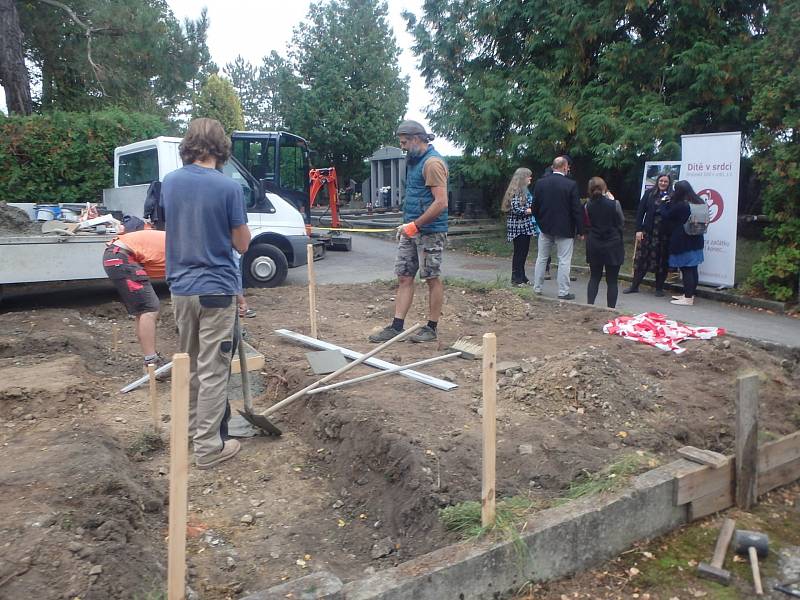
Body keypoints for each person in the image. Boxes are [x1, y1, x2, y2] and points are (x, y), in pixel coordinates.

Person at [162, 117, 251, 470]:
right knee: (214, 370)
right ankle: (208, 448)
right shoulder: (227, 188)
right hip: (215, 289)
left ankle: (190, 433)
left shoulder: (170, 183)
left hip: (180, 289)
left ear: (189, 145)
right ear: (220, 148)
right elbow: (242, 244)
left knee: (190, 365)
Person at [369, 120, 448, 343]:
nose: (402, 146)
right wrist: (408, 225)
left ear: (416, 139)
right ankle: (396, 327)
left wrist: (415, 225)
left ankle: (431, 328)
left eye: (404, 142)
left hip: (430, 231)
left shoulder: (432, 163)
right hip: (412, 229)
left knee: (431, 277)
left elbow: (441, 203)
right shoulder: (414, 161)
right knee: (404, 276)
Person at [102, 225, 167, 369]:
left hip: (117, 256)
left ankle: (150, 358)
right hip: (123, 257)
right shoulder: (182, 247)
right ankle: (151, 361)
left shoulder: (177, 241)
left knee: (144, 310)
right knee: (149, 308)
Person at [531, 156, 584, 299]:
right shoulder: (571, 185)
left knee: (541, 258)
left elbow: (534, 207)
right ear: (564, 166)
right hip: (565, 228)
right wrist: (580, 230)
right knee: (564, 260)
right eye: (567, 167)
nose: (568, 169)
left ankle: (537, 288)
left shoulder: (541, 183)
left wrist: (540, 221)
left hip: (545, 227)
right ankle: (563, 292)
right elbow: (576, 210)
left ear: (553, 166)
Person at [623, 173, 673, 297]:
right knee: (642, 260)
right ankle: (634, 286)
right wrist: (638, 230)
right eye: (661, 180)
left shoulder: (672, 196)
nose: (663, 183)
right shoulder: (649, 194)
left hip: (663, 235)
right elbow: (640, 212)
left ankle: (659, 288)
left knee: (661, 261)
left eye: (665, 181)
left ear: (669, 183)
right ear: (657, 181)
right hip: (648, 232)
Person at [660, 180, 705, 306]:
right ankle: (690, 294)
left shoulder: (681, 205)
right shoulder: (699, 201)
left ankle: (688, 298)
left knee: (686, 269)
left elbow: (667, 215)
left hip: (684, 240)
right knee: (693, 268)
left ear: (679, 191)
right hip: (697, 238)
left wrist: (663, 203)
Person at [584, 177, 625, 308]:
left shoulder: (587, 205)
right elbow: (621, 221)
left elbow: (587, 223)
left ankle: (590, 305)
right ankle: (611, 309)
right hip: (613, 244)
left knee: (594, 277)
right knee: (612, 280)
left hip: (594, 243)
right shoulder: (615, 204)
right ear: (604, 188)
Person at [502, 168, 537, 286]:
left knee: (524, 253)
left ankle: (522, 276)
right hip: (518, 228)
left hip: (525, 227)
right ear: (522, 178)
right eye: (528, 176)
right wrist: (531, 210)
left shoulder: (525, 190)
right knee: (519, 253)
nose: (530, 178)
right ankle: (516, 279)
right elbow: (517, 209)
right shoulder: (516, 191)